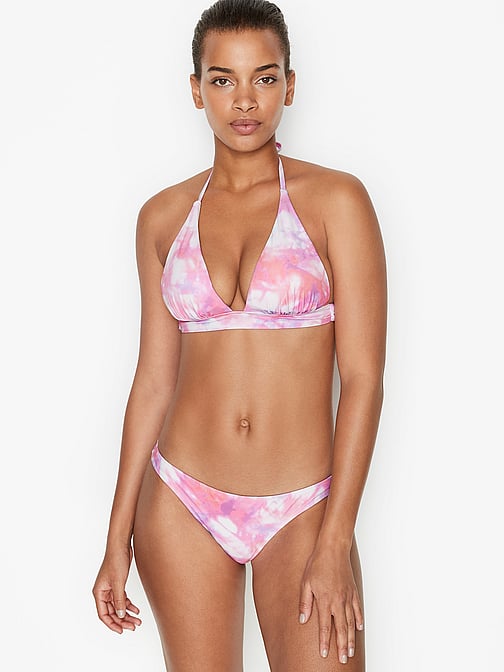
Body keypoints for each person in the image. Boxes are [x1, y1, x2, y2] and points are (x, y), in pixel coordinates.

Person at [92, 0, 387, 669]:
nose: (245, 100)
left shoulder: (337, 201)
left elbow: (364, 378)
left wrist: (337, 538)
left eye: (265, 77)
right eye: (223, 79)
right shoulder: (162, 217)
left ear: (290, 84)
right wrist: (116, 536)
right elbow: (154, 380)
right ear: (197, 90)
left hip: (304, 508)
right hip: (181, 501)